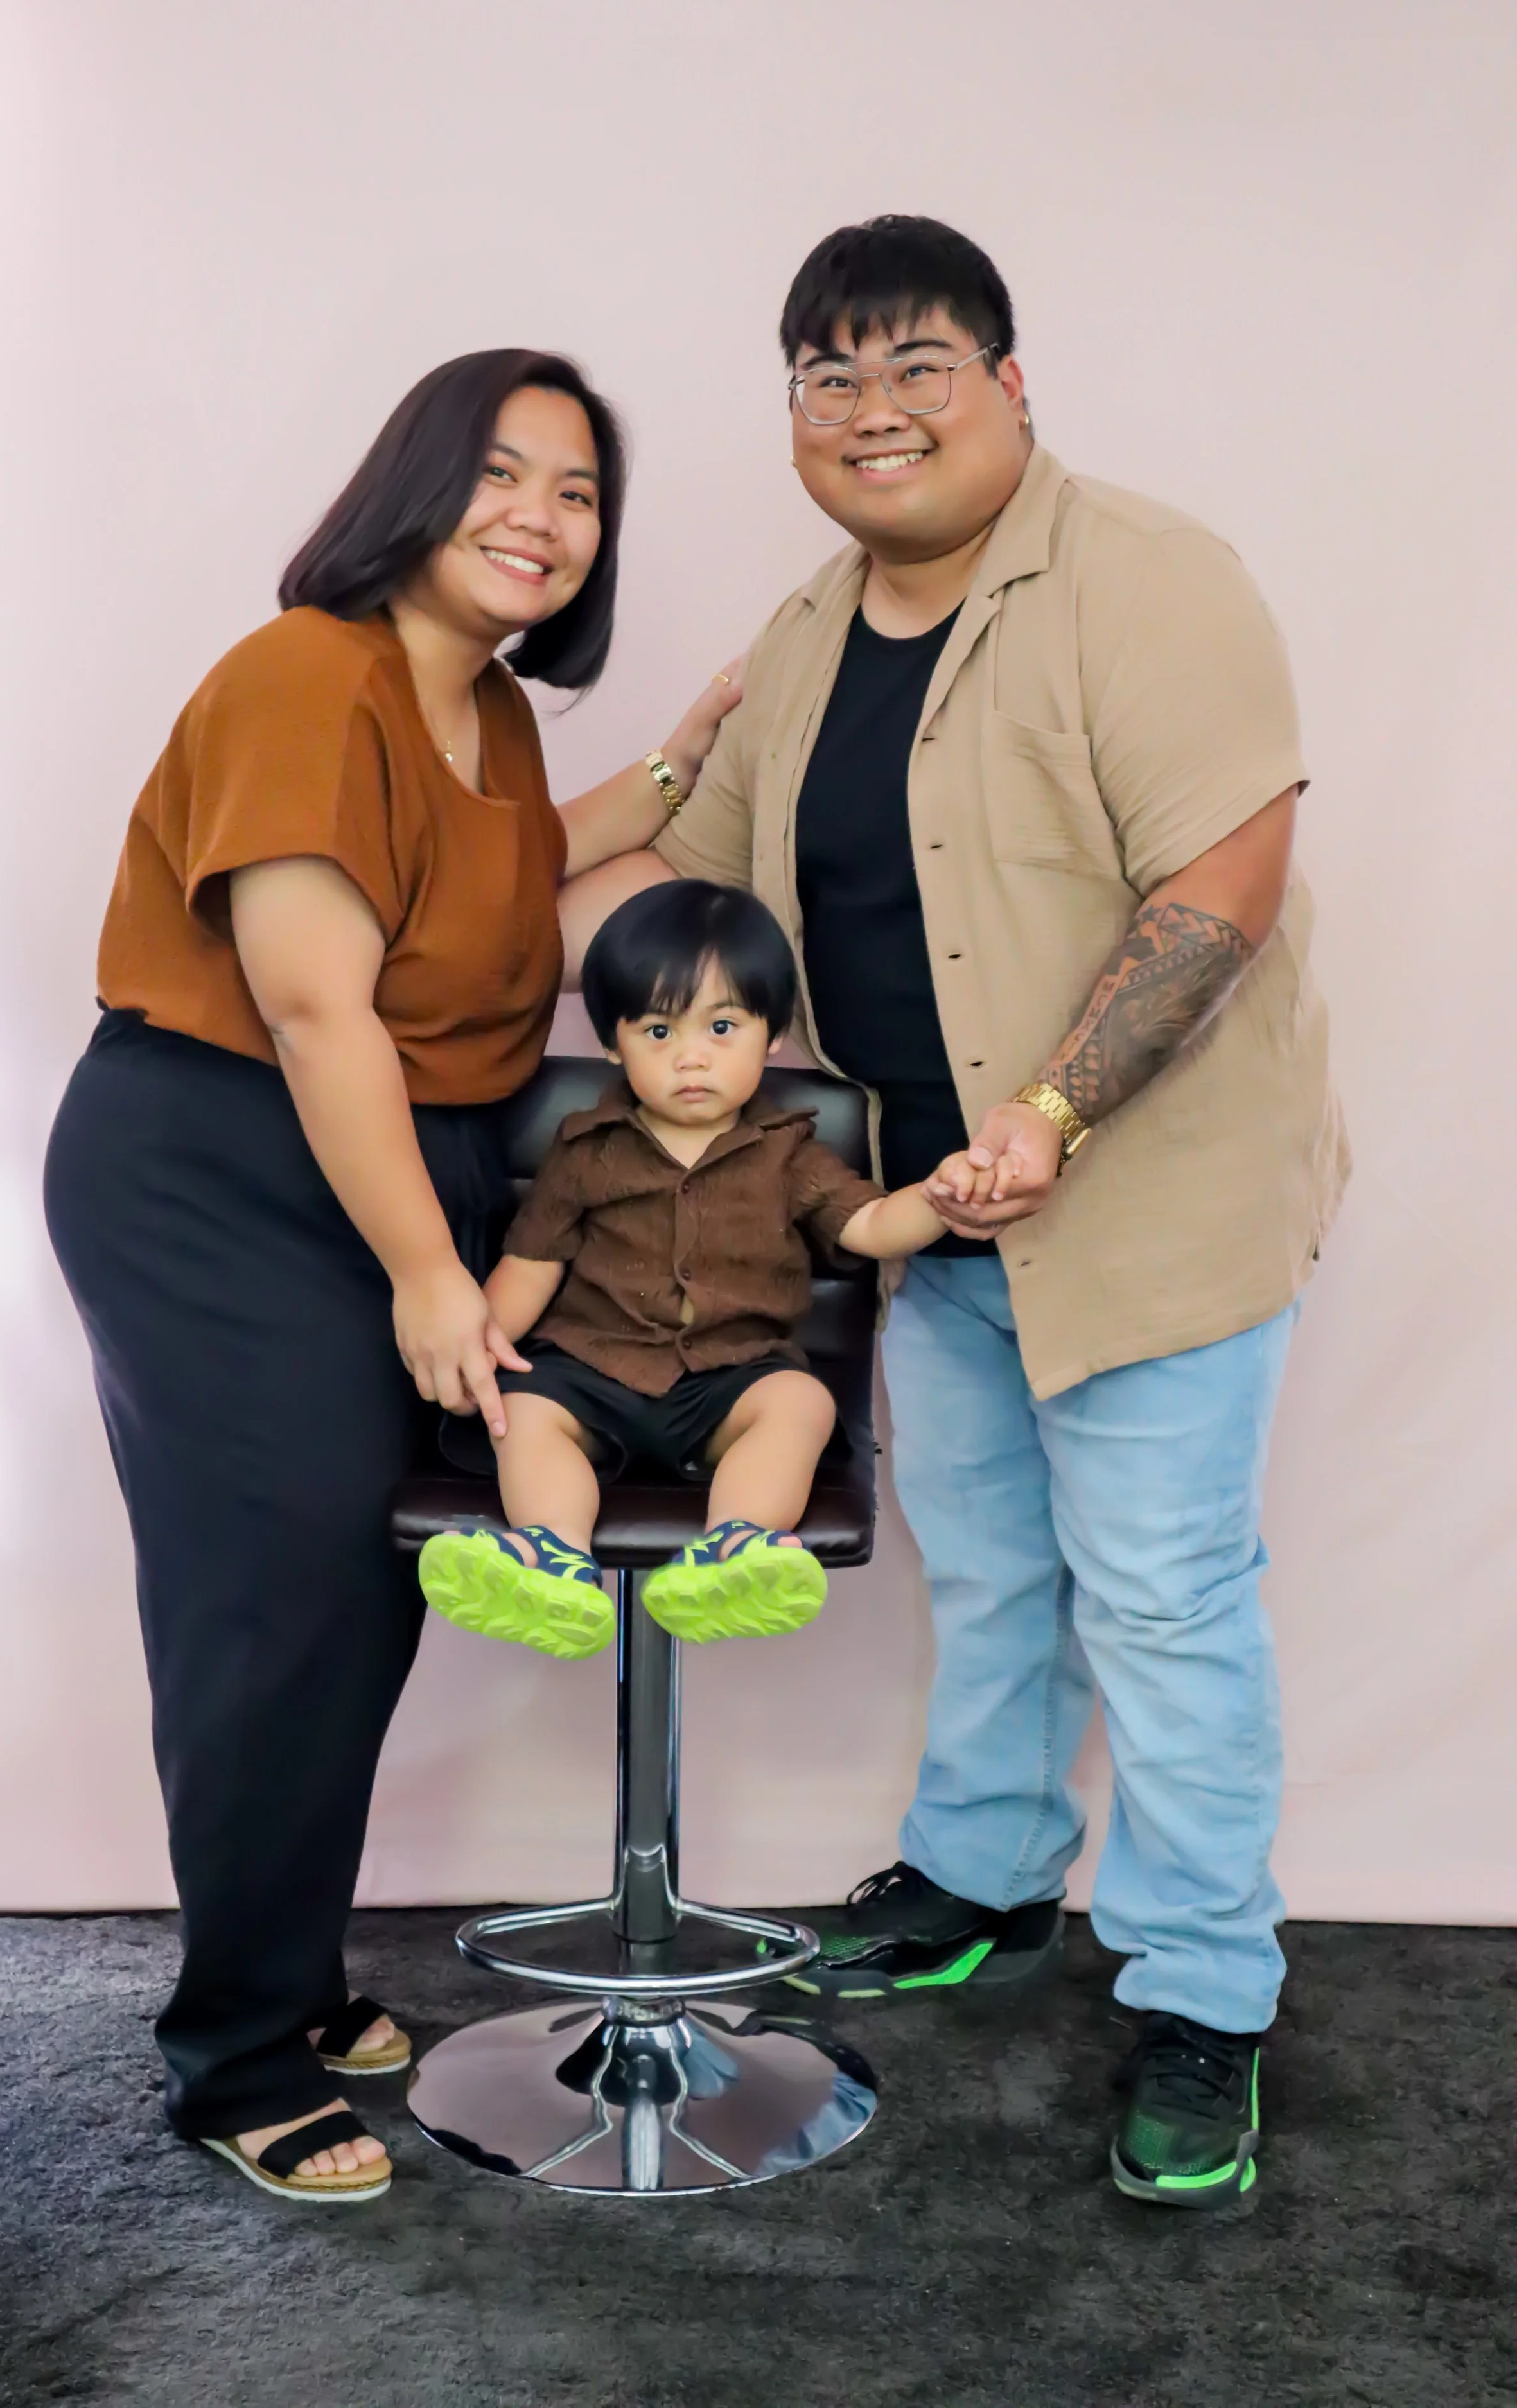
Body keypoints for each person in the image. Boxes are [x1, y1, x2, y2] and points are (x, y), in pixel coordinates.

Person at [564, 217, 1347, 2208]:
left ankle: (1200, 1991)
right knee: (993, 1574)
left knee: (1163, 1602)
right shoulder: (811, 633)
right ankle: (983, 1874)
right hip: (924, 1222)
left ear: (1009, 385)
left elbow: (1216, 894)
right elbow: (693, 892)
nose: (868, 408)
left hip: (1138, 1206)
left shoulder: (1147, 579)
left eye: (913, 362)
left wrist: (1054, 1111)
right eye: (826, 377)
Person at [44, 349, 741, 2203]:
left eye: (577, 491)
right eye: (500, 472)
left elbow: (513, 881)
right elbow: (309, 999)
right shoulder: (306, 673)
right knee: (268, 1595)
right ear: (410, 485)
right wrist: (437, 1277)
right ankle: (236, 2052)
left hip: (387, 1166)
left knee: (364, 1586)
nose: (539, 514)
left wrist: (696, 748)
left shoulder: (487, 717)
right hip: (220, 1164)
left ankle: (284, 1960)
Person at [420, 881, 972, 1655]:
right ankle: (550, 1555)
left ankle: (734, 1548)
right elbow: (530, 1264)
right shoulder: (585, 1151)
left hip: (730, 1378)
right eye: (657, 1030)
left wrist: (941, 1197)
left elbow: (873, 1224)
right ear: (612, 1042)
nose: (691, 1058)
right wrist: (478, 1355)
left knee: (800, 1405)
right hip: (588, 1369)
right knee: (526, 1415)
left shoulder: (789, 1153)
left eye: (720, 1027)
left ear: (770, 1034)